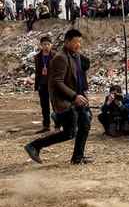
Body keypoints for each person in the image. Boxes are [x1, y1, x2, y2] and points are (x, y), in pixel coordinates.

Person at [24, 29, 94, 165]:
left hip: (79, 99)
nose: (79, 44)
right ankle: (35, 145)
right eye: (76, 42)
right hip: (67, 100)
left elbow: (84, 69)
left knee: (85, 125)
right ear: (66, 42)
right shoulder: (60, 58)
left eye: (80, 41)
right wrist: (74, 96)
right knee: (70, 132)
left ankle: (77, 157)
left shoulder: (75, 55)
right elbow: (57, 83)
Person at [33, 36, 60, 133]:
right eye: (44, 44)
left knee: (56, 105)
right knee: (44, 106)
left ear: (51, 45)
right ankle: (46, 125)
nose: (47, 46)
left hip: (52, 85)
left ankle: (57, 125)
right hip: (42, 85)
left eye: (48, 44)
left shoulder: (55, 55)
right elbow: (38, 72)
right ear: (41, 45)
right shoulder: (37, 57)